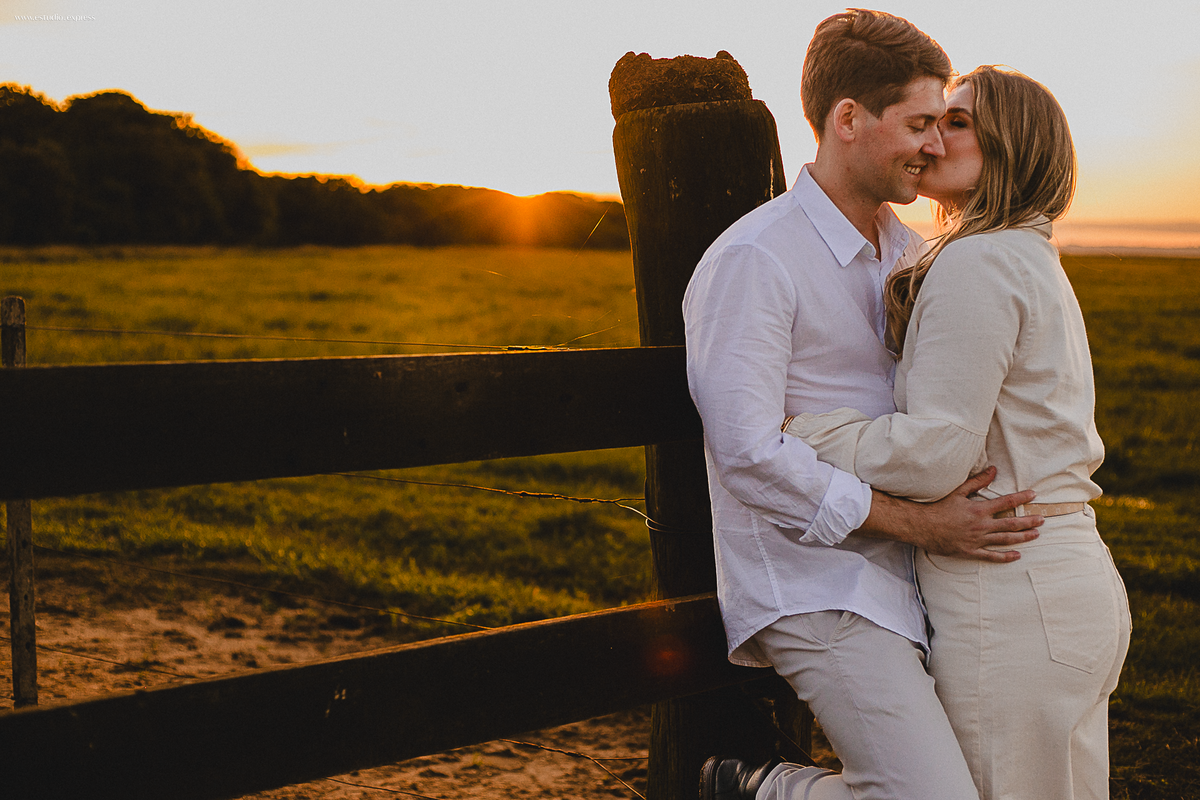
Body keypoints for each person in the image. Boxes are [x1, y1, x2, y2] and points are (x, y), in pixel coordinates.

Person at [686, 10, 1041, 800]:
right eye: (918, 122)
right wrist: (920, 522)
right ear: (847, 119)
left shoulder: (913, 254)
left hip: (920, 579)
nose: (937, 145)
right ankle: (753, 790)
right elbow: (746, 450)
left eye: (942, 125)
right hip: (813, 583)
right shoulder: (754, 259)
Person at [781, 65, 1131, 800]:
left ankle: (776, 792)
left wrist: (810, 433)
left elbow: (935, 454)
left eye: (959, 122)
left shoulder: (977, 260)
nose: (934, 138)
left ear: (1011, 145)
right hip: (1068, 580)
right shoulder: (1030, 255)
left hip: (1010, 594)